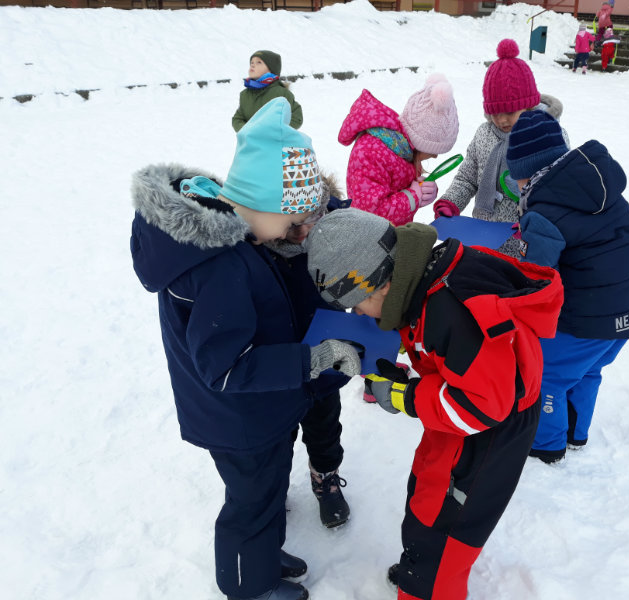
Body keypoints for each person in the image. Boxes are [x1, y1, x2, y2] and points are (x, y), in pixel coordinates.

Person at [130, 98, 362, 600]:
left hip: (257, 409)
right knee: (252, 502)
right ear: (263, 205)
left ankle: (262, 555)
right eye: (292, 221)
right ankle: (247, 584)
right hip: (237, 418)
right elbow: (227, 366)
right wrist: (313, 360)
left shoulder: (240, 237)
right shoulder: (219, 266)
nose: (296, 233)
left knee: (267, 492)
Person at [305, 208, 563, 600]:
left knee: (443, 530)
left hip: (485, 435)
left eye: (356, 304)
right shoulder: (427, 277)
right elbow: (451, 357)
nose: (357, 314)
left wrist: (406, 396)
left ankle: (427, 583)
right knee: (426, 498)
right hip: (462, 420)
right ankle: (421, 563)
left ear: (380, 287)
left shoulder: (451, 312)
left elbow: (481, 407)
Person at [507, 110, 629, 463]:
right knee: (587, 371)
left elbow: (536, 276)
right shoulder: (601, 191)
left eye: (517, 180)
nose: (517, 188)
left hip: (587, 320)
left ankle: (547, 447)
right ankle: (576, 434)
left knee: (549, 377)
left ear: (529, 174)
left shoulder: (545, 211)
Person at [264, 175, 354, 530]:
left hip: (326, 361)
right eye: (291, 224)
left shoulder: (336, 231)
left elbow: (358, 281)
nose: (301, 233)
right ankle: (272, 488)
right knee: (276, 435)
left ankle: (325, 477)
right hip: (278, 366)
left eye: (310, 220)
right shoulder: (258, 247)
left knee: (325, 428)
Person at [433, 38, 567, 259]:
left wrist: (534, 225)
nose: (501, 120)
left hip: (527, 246)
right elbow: (467, 179)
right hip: (483, 241)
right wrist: (451, 202)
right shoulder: (484, 135)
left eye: (510, 112)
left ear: (528, 105)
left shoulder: (548, 138)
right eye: (495, 113)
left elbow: (558, 193)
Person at [338, 74, 459, 226]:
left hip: (392, 235)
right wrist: (412, 198)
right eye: (432, 151)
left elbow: (399, 189)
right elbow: (369, 215)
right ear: (419, 141)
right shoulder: (370, 153)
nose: (435, 157)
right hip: (368, 238)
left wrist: (424, 190)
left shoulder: (403, 150)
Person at [232, 50, 303, 132]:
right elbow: (237, 118)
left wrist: (278, 130)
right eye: (252, 62)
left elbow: (296, 118)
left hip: (274, 139)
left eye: (259, 62)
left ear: (271, 69)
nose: (253, 65)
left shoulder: (281, 94)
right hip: (251, 139)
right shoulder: (245, 95)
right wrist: (247, 130)